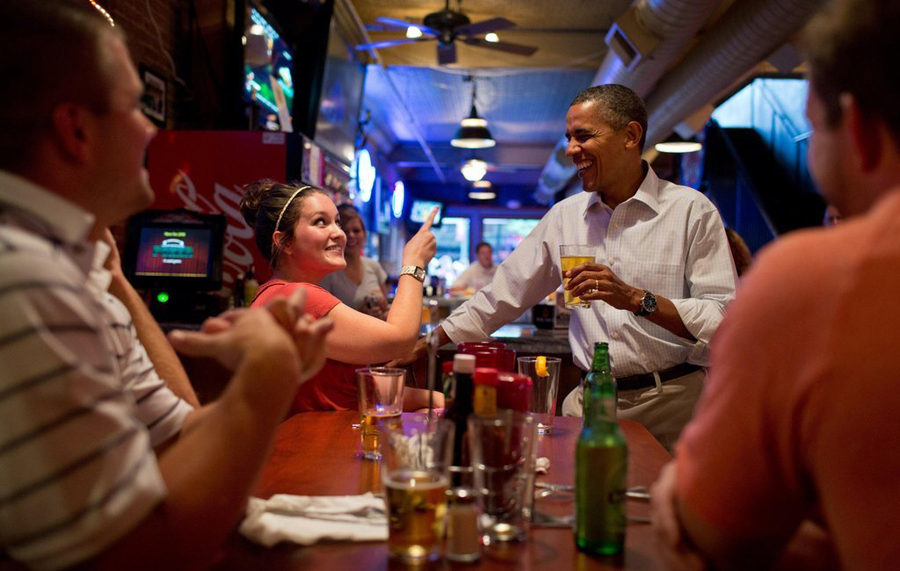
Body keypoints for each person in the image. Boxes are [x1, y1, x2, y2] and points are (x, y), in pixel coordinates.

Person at [0, 2, 331, 569]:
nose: (152, 129)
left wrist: (263, 372)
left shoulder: (76, 273)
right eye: (133, 106)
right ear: (76, 130)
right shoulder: (27, 279)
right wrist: (265, 378)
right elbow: (138, 552)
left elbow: (178, 435)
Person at [651, 0, 900, 568]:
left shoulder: (813, 282)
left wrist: (675, 492)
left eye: (812, 128)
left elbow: (713, 531)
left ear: (857, 128)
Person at [397, 85, 737, 449]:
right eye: (569, 138)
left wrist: (637, 299)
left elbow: (725, 320)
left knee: (664, 506)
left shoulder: (690, 211)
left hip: (672, 406)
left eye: (583, 136)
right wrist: (428, 342)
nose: (571, 150)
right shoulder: (565, 216)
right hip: (590, 402)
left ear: (631, 135)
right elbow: (502, 295)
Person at [240, 180, 444, 414]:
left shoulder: (276, 293)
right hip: (317, 446)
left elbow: (349, 390)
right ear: (284, 241)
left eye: (336, 222)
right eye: (320, 222)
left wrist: (431, 399)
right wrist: (413, 262)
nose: (339, 233)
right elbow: (401, 342)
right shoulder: (299, 298)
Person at [319, 203, 389, 318]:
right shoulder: (328, 273)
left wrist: (382, 306)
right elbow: (324, 319)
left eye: (356, 231)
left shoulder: (373, 266)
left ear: (364, 234)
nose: (351, 235)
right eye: (345, 231)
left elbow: (385, 305)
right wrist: (361, 314)